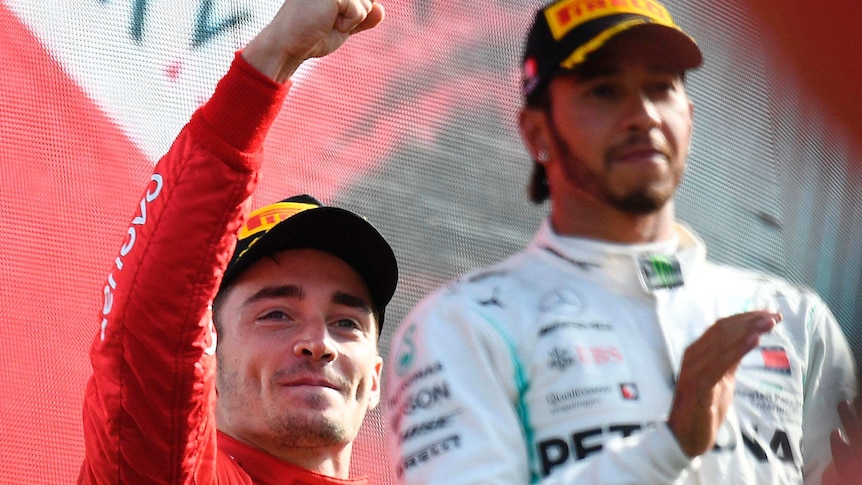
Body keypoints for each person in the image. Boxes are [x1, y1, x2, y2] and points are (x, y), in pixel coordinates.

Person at [384, 0, 857, 483]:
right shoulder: (463, 324)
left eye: (660, 88)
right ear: (535, 132)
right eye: (604, 90)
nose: (642, 115)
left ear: (690, 119)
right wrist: (667, 446)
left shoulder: (794, 318)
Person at [79, 0, 397, 483]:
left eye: (347, 322)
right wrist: (273, 58)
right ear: (209, 357)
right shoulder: (169, 472)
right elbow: (150, 329)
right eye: (276, 314)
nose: (318, 343)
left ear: (374, 379)